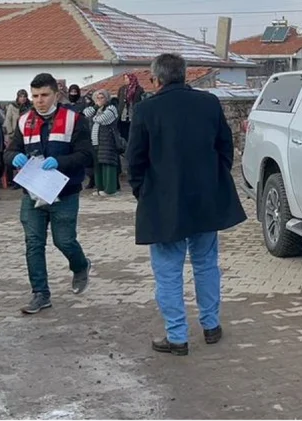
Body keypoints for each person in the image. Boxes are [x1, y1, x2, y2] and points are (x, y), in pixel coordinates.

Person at [126, 53, 246, 356]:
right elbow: (225, 146)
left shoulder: (145, 110)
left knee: (168, 271)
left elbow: (135, 160)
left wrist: (143, 192)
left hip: (164, 203)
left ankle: (177, 337)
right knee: (206, 264)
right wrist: (215, 178)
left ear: (156, 79)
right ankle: (211, 325)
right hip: (206, 199)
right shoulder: (208, 103)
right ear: (186, 75)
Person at [4, 73, 94, 314]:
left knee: (63, 240)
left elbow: (86, 155)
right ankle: (40, 294)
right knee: (33, 243)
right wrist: (14, 157)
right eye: (35, 96)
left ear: (56, 94)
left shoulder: (75, 119)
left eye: (44, 95)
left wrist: (60, 161)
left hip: (64, 193)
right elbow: (9, 151)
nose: (39, 100)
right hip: (32, 193)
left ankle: (81, 265)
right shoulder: (25, 121)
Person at [83, 89, 120, 196]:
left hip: (107, 140)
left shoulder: (111, 108)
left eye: (102, 97)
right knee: (97, 164)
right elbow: (86, 113)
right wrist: (95, 107)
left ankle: (110, 189)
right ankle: (100, 188)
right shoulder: (95, 108)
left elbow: (103, 119)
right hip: (95, 141)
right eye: (97, 98)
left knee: (108, 163)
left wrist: (94, 117)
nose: (99, 100)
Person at [2, 89, 32, 190]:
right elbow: (8, 120)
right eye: (21, 96)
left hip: (27, 135)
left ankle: (25, 179)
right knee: (14, 157)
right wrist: (10, 133)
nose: (23, 98)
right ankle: (15, 180)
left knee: (26, 158)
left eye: (24, 96)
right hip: (14, 135)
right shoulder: (12, 107)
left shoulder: (30, 107)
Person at [116, 72, 145, 140]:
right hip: (123, 114)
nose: (125, 80)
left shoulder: (139, 89)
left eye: (127, 78)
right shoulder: (122, 89)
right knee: (123, 131)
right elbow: (119, 99)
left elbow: (141, 100)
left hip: (133, 113)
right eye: (124, 78)